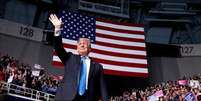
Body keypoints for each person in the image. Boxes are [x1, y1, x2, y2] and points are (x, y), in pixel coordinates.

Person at [49, 14, 108, 101]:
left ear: (90, 48)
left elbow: (103, 89)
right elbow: (58, 48)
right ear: (77, 48)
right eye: (80, 43)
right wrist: (57, 29)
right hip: (65, 98)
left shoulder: (97, 67)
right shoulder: (70, 58)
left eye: (85, 43)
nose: (82, 44)